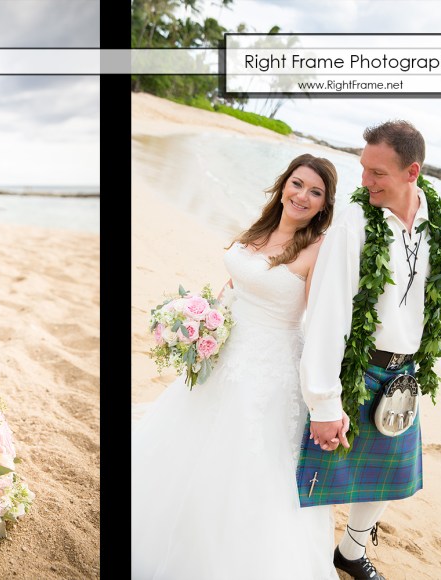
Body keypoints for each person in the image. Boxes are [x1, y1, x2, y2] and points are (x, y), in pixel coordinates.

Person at [131, 154, 342, 579]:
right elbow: (238, 284)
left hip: (268, 368)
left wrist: (325, 396)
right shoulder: (263, 229)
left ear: (324, 205)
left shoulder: (320, 249)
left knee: (248, 463)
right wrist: (199, 316)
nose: (302, 195)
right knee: (188, 444)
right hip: (225, 350)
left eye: (315, 192)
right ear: (284, 184)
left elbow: (322, 323)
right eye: (297, 184)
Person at [295, 121, 441, 580]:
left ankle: (351, 549)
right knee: (318, 479)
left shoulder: (434, 222)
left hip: (403, 374)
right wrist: (325, 401)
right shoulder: (354, 221)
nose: (364, 182)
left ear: (412, 172)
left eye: (377, 173)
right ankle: (300, 559)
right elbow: (327, 314)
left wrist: (417, 365)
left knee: (385, 479)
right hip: (357, 369)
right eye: (362, 169)